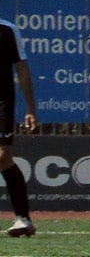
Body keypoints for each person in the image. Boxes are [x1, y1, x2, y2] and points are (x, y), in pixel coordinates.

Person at [1, 16, 38, 238]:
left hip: (2, 102)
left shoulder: (7, 30)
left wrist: (31, 109)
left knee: (3, 156)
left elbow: (22, 69)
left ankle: (23, 218)